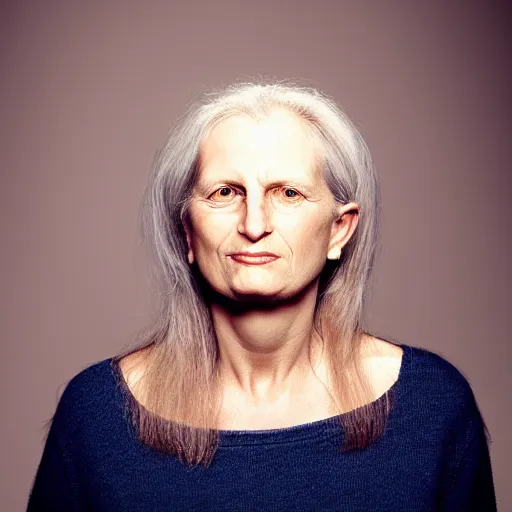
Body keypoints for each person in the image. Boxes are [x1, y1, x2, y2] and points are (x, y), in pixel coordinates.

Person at [27, 81, 497, 511]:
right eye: (225, 192)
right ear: (188, 232)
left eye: (288, 193)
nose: (254, 225)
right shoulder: (96, 416)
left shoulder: (432, 408)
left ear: (339, 230)